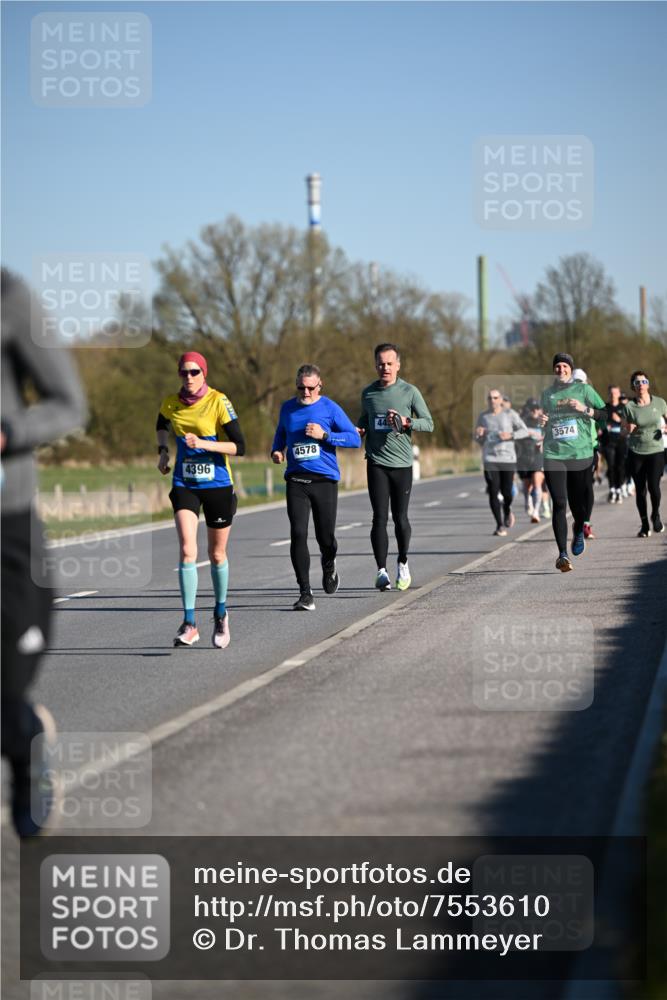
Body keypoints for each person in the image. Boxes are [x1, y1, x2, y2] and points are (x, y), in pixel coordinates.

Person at [1, 268, 87, 836]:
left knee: (7, 679)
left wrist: (8, 431)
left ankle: (24, 738)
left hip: (5, 521)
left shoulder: (8, 297)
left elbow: (69, 404)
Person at [156, 352, 246, 647]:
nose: (189, 377)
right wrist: (163, 451)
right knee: (187, 549)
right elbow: (161, 423)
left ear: (204, 373)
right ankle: (190, 622)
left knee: (216, 554)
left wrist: (204, 443)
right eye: (184, 372)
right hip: (185, 483)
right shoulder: (171, 402)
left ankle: (220, 614)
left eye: (194, 372)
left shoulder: (218, 401)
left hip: (218, 484)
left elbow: (240, 446)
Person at [271, 365, 360, 610]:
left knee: (325, 538)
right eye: (301, 387)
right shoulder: (287, 408)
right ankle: (305, 593)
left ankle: (329, 564)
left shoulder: (330, 408)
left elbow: (354, 438)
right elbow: (280, 434)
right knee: (298, 533)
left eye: (311, 388)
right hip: (296, 480)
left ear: (320, 385)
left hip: (324, 481)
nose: (306, 392)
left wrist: (325, 436)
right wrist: (277, 451)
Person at [357, 343, 433, 591]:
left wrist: (406, 421)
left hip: (401, 465)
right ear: (375, 365)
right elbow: (364, 421)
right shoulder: (368, 394)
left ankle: (402, 562)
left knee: (400, 518)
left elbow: (429, 423)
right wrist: (358, 430)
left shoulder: (409, 392)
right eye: (381, 363)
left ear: (398, 365)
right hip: (376, 462)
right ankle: (381, 571)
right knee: (379, 517)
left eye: (390, 363)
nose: (385, 368)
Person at [539, 354, 607, 572]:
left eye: (565, 366)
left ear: (570, 369)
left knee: (578, 505)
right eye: (557, 366)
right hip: (554, 454)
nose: (561, 369)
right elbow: (545, 420)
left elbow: (605, 414)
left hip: (580, 454)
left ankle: (578, 530)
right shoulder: (547, 394)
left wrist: (584, 409)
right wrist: (543, 421)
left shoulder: (584, 390)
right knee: (559, 503)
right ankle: (562, 555)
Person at [475, 389, 530, 536]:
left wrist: (510, 435)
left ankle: (507, 509)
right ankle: (499, 525)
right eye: (490, 398)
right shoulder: (483, 416)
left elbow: (525, 431)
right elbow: (478, 439)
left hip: (507, 458)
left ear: (500, 400)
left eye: (495, 397)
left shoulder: (510, 414)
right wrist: (478, 434)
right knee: (493, 491)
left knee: (507, 493)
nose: (492, 400)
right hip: (490, 459)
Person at [620, 370, 667, 536]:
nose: (641, 385)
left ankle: (656, 515)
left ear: (648, 384)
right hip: (636, 452)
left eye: (644, 381)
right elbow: (622, 431)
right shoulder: (629, 407)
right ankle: (645, 524)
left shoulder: (660, 403)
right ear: (633, 386)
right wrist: (627, 429)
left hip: (656, 450)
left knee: (654, 486)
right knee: (640, 490)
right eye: (637, 382)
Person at [571, 368, 605, 540]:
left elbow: (603, 417)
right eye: (575, 382)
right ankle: (579, 520)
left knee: (587, 485)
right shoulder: (566, 401)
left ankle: (586, 523)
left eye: (581, 382)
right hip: (570, 451)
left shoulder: (591, 400)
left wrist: (601, 432)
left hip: (589, 449)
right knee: (574, 489)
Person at [516, 398, 546, 523]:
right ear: (527, 409)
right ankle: (528, 501)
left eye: (537, 408)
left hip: (538, 456)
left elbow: (550, 435)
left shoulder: (544, 421)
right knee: (527, 485)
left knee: (537, 483)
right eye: (532, 408)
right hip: (524, 457)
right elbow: (514, 437)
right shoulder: (521, 422)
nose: (535, 411)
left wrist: (543, 441)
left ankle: (536, 512)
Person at [602, 385, 628, 504]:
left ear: (619, 394)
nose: (613, 395)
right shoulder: (605, 407)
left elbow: (630, 424)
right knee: (611, 466)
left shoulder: (624, 407)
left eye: (615, 393)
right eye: (611, 393)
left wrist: (619, 420)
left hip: (621, 440)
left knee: (620, 466)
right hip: (608, 441)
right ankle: (612, 489)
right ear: (609, 394)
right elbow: (599, 422)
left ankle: (619, 489)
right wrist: (603, 427)